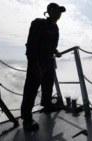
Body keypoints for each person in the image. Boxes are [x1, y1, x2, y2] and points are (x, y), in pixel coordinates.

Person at [21, 3, 66, 131]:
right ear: (49, 11)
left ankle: (47, 105)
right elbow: (31, 43)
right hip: (37, 61)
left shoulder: (55, 27)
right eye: (57, 10)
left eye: (61, 12)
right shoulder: (39, 23)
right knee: (31, 89)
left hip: (49, 61)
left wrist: (56, 51)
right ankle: (27, 119)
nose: (59, 13)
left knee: (48, 85)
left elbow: (49, 44)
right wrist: (34, 62)